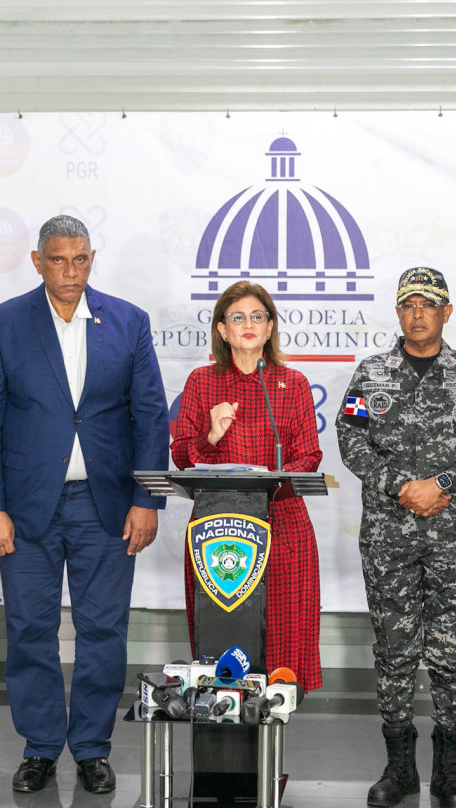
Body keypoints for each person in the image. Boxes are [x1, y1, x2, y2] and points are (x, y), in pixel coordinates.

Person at [0, 215, 169, 794]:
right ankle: (39, 746)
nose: (70, 271)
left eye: (80, 260)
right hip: (25, 508)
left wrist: (146, 499)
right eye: (57, 260)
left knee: (103, 630)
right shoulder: (2, 324)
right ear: (37, 261)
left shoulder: (128, 321)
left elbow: (151, 415)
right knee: (29, 629)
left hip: (107, 506)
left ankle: (93, 748)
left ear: (92, 259)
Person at [335, 267, 456, 808]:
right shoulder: (372, 373)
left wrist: (443, 483)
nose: (418, 314)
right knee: (393, 649)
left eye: (428, 305)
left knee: (451, 651)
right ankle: (400, 768)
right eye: (409, 304)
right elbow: (350, 437)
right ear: (398, 311)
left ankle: (449, 774)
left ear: (446, 312)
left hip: (454, 535)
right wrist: (400, 486)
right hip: (389, 535)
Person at [171, 281, 324, 691]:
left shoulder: (293, 383)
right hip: (217, 530)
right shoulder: (202, 382)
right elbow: (182, 455)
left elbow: (309, 455)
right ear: (223, 330)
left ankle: (277, 712)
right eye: (237, 317)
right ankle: (221, 709)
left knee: (282, 650)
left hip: (282, 526)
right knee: (223, 638)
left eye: (258, 316)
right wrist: (212, 436)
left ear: (270, 327)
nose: (249, 324)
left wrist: (269, 480)